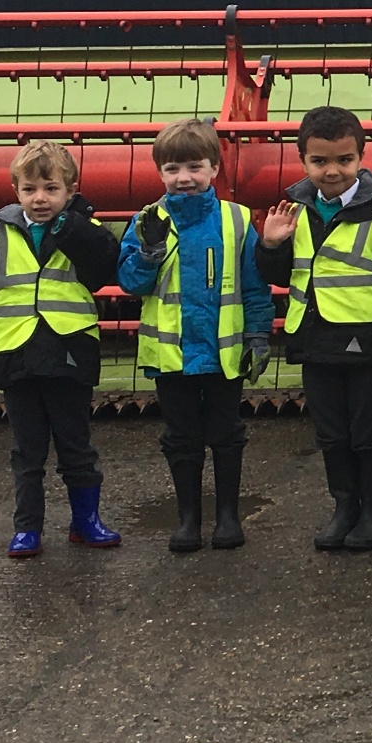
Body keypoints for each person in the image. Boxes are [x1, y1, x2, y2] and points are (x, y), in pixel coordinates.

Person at [256, 106, 372, 553]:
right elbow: (278, 273)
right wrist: (270, 243)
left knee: (367, 429)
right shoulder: (294, 213)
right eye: (320, 161)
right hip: (314, 339)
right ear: (303, 160)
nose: (333, 171)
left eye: (344, 160)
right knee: (330, 430)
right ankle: (343, 506)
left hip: (365, 341)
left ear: (362, 157)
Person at [0, 141, 122, 558]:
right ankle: (27, 528)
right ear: (15, 190)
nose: (40, 198)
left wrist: (74, 226)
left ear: (71, 189)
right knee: (26, 450)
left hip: (69, 347)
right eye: (29, 189)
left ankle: (86, 522)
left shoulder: (86, 226)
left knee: (75, 444)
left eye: (51, 188)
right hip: (17, 350)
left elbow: (102, 269)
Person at [117, 119, 274, 553]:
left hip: (224, 355)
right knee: (181, 437)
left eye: (193, 167)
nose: (183, 178)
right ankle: (189, 519)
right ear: (160, 173)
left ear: (214, 169)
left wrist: (258, 335)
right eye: (172, 169)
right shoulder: (147, 221)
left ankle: (227, 516)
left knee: (227, 434)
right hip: (171, 356)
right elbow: (130, 283)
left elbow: (255, 287)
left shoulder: (237, 221)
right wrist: (148, 255)